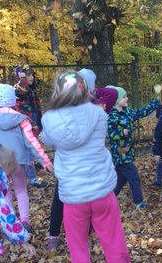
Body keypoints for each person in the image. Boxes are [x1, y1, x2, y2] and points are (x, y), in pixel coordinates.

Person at [41, 71, 138, 263]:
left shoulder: (50, 118)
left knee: (78, 249)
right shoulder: (98, 114)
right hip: (102, 191)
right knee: (114, 241)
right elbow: (107, 101)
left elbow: (47, 139)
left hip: (73, 196)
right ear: (86, 90)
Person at [45, 71, 113, 252]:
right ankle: (57, 234)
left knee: (80, 200)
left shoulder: (68, 112)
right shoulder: (92, 111)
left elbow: (49, 138)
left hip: (78, 167)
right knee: (66, 199)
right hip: (79, 168)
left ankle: (74, 235)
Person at [0, 84, 53, 234]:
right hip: (18, 161)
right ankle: (25, 221)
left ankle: (11, 222)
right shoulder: (21, 119)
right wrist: (45, 161)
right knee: (21, 189)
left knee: (5, 192)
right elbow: (31, 141)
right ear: (13, 100)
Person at [107, 86, 160, 209]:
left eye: (126, 96)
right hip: (120, 153)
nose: (127, 98)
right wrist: (121, 133)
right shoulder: (111, 116)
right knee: (134, 176)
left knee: (121, 179)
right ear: (116, 100)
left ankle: (109, 198)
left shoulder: (128, 111)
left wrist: (156, 102)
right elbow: (110, 134)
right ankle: (138, 202)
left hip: (128, 152)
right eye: (124, 97)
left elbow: (141, 112)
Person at [14, 64, 48, 189]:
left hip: (33, 126)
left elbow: (35, 107)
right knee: (28, 153)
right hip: (25, 127)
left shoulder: (30, 90)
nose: (31, 77)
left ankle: (30, 175)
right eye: (27, 75)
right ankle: (32, 179)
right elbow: (20, 94)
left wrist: (39, 122)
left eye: (32, 74)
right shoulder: (18, 90)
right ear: (20, 77)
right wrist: (22, 80)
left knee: (29, 153)